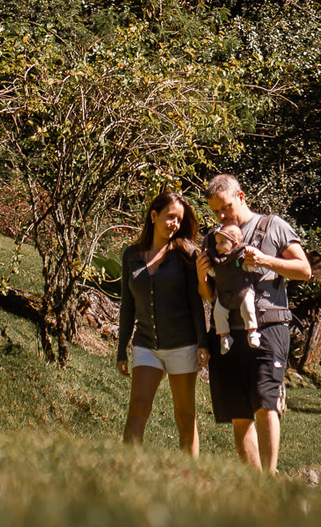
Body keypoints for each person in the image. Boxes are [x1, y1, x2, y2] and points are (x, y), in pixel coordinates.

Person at [196, 174, 312, 475]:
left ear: (241, 196)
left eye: (225, 208)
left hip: (268, 327)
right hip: (227, 334)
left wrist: (265, 260)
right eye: (215, 212)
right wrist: (200, 277)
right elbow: (209, 296)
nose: (221, 216)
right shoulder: (213, 239)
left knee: (264, 401)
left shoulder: (273, 226)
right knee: (238, 413)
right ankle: (256, 487)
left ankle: (269, 479)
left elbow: (304, 270)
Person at [117, 188, 209, 455]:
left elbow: (196, 303)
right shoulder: (131, 255)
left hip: (183, 346)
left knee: (184, 416)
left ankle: (187, 481)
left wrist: (203, 342)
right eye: (170, 217)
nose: (175, 224)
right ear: (154, 215)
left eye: (179, 220)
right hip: (146, 346)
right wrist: (122, 347)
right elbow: (128, 305)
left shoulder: (186, 254)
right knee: (138, 408)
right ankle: (128, 474)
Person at [204, 221, 261, 352]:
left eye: (222, 242)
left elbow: (249, 268)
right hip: (224, 294)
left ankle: (252, 331)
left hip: (242, 291)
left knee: (248, 308)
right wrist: (207, 269)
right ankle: (224, 336)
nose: (217, 246)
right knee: (218, 313)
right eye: (217, 242)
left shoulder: (240, 257)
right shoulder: (216, 260)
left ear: (234, 244)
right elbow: (213, 272)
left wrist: (252, 261)